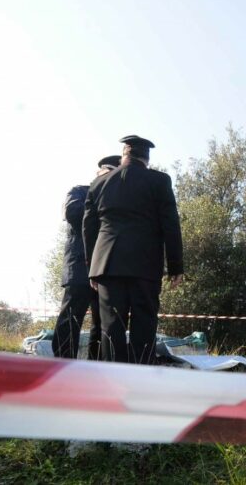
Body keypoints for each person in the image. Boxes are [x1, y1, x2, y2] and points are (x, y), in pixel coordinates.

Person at [83, 135, 184, 365]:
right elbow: (170, 223)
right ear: (146, 158)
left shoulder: (99, 183)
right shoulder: (159, 181)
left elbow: (89, 227)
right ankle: (141, 375)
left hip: (107, 264)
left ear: (123, 155)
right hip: (145, 264)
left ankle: (112, 377)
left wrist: (91, 267)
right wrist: (176, 265)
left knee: (111, 326)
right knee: (144, 324)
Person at [52, 155, 122, 360]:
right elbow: (73, 213)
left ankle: (95, 366)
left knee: (102, 324)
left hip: (105, 269)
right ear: (99, 173)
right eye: (108, 175)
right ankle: (63, 364)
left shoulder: (118, 200)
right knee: (71, 318)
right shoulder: (79, 192)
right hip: (79, 268)